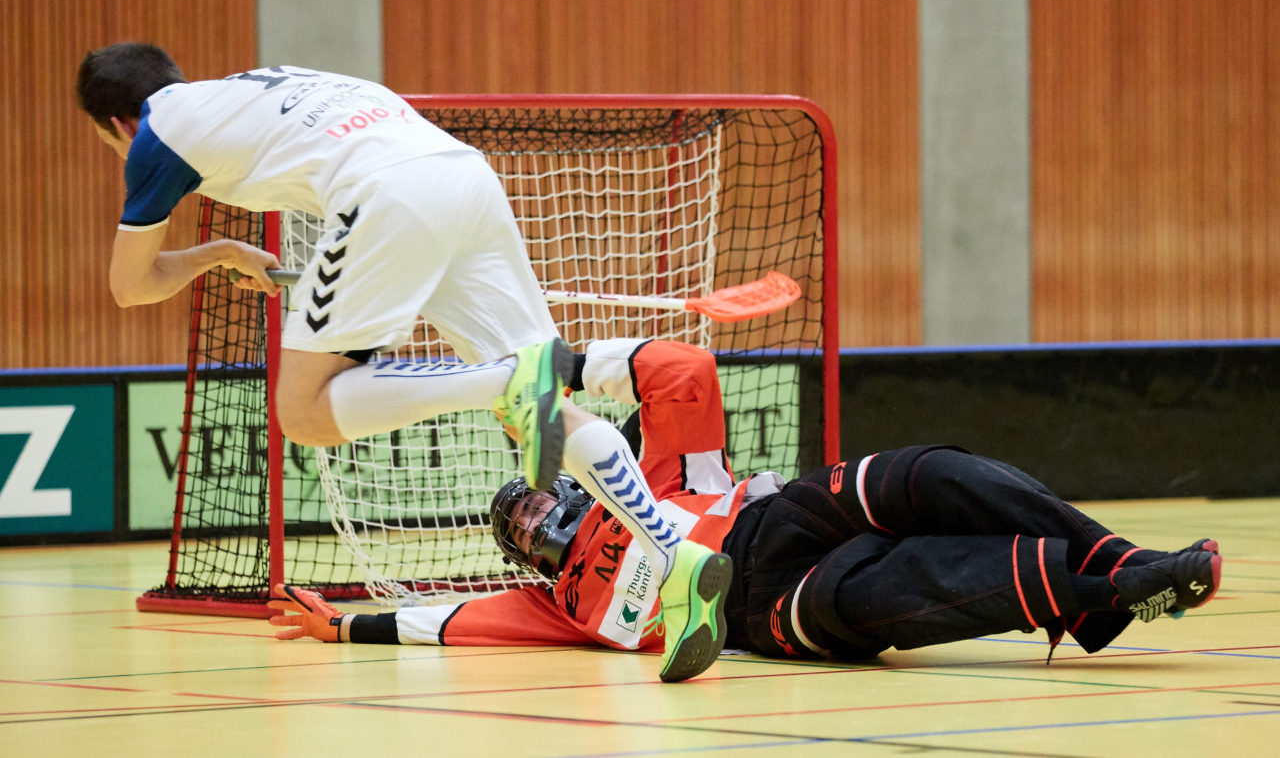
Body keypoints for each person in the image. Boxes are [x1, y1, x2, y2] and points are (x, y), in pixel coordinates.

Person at [76, 43, 731, 682]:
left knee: (302, 411)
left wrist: (211, 253)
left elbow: (131, 285)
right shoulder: (249, 85)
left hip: (381, 195)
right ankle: (673, 556)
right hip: (464, 175)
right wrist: (227, 249)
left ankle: (501, 380)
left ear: (117, 124)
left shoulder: (155, 138)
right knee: (546, 415)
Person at [267, 338, 1223, 668]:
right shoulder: (550, 609)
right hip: (767, 609)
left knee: (935, 473)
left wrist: (553, 366)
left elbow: (681, 369)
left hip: (776, 517)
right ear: (524, 558)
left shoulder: (640, 478)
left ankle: (1123, 574)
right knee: (918, 581)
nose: (533, 520)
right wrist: (346, 628)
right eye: (517, 529)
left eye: (531, 500)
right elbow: (442, 624)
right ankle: (1129, 590)